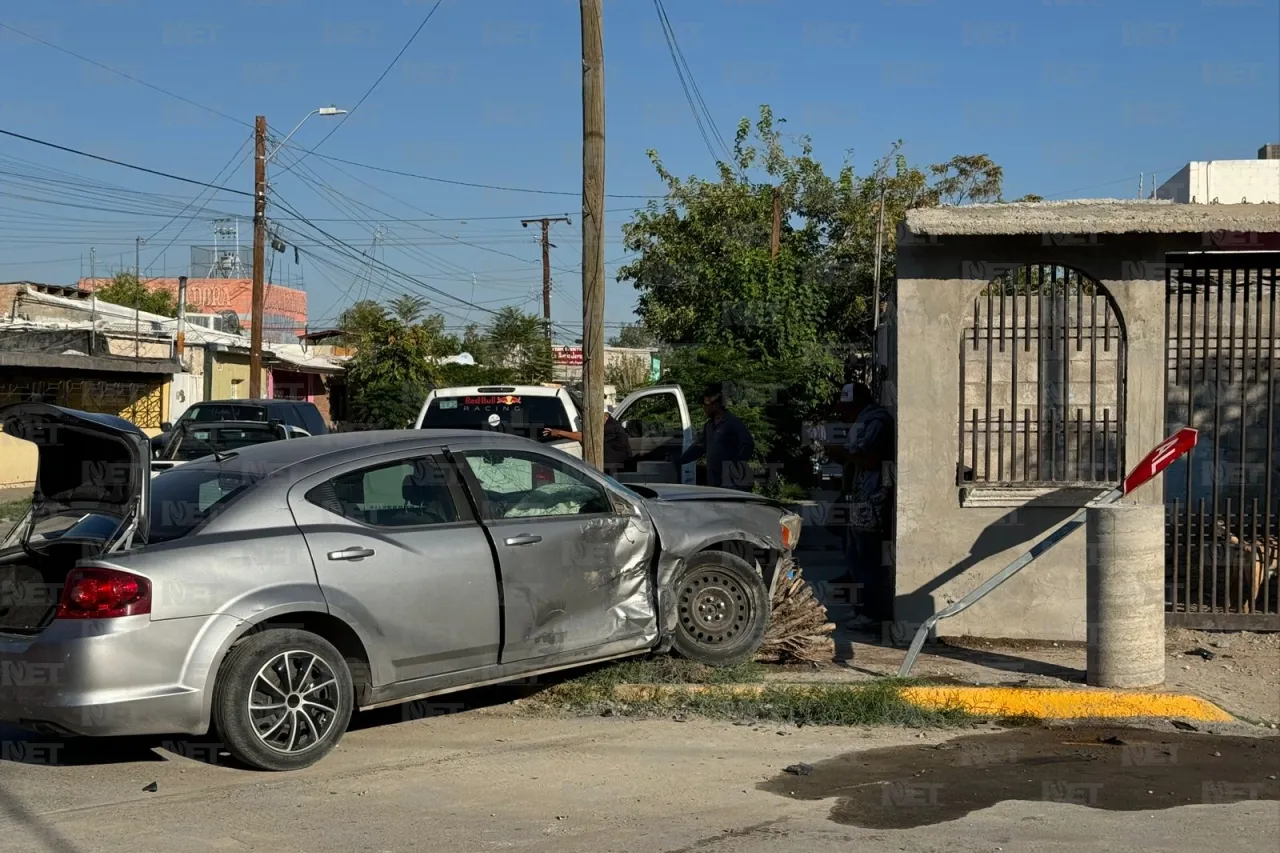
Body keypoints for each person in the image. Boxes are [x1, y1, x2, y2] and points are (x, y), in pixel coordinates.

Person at [823, 382, 895, 630]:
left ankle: (872, 615)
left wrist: (840, 452)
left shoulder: (877, 421)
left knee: (868, 559)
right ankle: (863, 609)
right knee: (856, 554)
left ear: (858, 403)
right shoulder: (863, 420)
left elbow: (871, 460)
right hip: (860, 498)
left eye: (847, 408)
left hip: (872, 500)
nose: (844, 414)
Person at [678, 382, 755, 491]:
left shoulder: (732, 423)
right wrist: (679, 461)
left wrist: (733, 468)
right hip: (716, 485)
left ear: (716, 405)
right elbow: (698, 448)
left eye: (706, 405)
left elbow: (748, 444)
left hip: (733, 487)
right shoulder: (709, 427)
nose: (704, 408)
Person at [543, 411, 633, 478]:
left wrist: (559, 432)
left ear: (605, 416)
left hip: (617, 467)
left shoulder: (610, 428)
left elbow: (585, 437)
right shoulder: (611, 424)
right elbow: (581, 434)